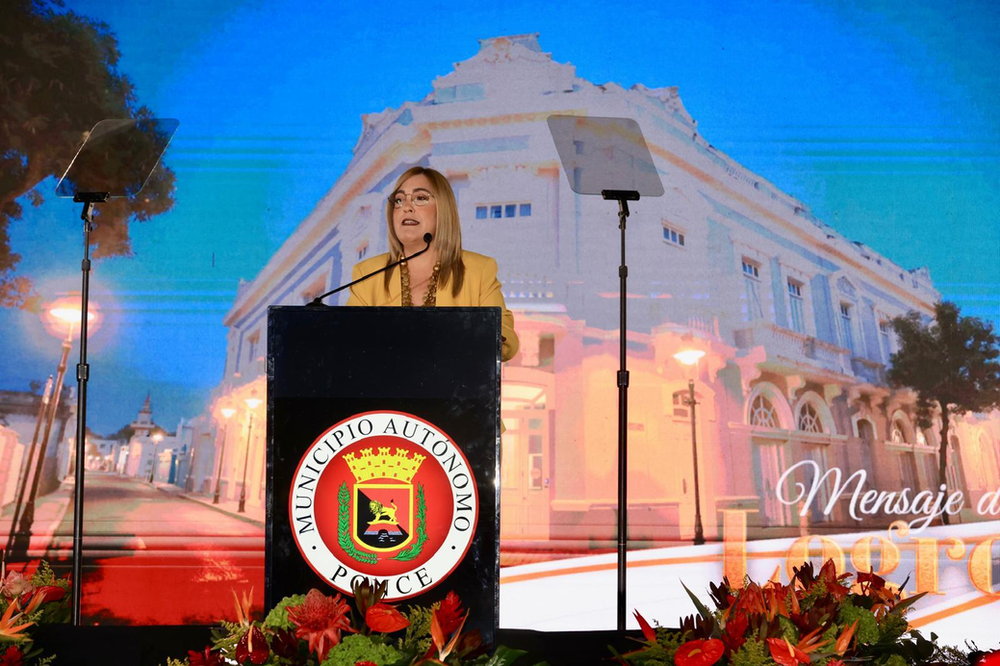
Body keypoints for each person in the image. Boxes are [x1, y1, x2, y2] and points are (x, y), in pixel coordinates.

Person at [346, 166, 519, 362]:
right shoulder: (368, 274)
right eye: (399, 200)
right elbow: (349, 343)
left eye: (420, 198)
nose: (406, 207)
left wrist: (474, 332)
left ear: (443, 210)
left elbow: (507, 341)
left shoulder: (478, 270)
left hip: (456, 388)